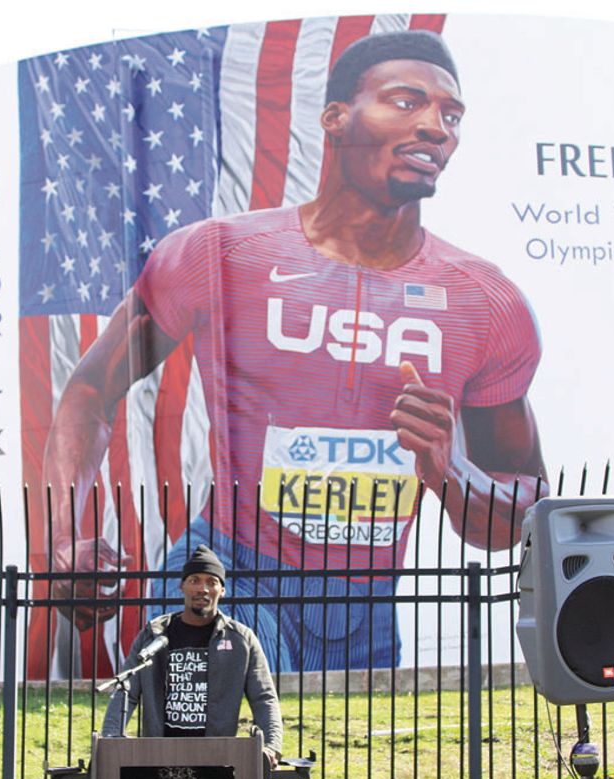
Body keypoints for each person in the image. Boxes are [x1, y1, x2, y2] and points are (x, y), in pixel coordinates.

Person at [45, 30, 549, 671]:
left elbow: (522, 509)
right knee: (222, 742)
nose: (434, 127)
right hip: (230, 572)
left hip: (366, 611)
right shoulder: (218, 253)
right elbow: (90, 389)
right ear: (335, 117)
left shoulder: (487, 301)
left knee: (351, 771)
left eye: (450, 115)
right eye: (405, 101)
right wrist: (64, 540)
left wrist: (452, 472)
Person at [101, 545, 283, 769]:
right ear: (183, 586)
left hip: (217, 757)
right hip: (161, 756)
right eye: (195, 580)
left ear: (222, 590)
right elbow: (126, 691)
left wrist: (272, 746)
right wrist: (110, 737)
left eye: (211, 582)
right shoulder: (154, 634)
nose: (202, 589)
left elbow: (263, 697)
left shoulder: (240, 640)